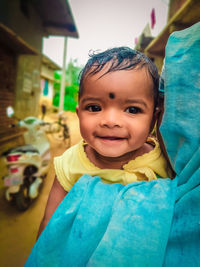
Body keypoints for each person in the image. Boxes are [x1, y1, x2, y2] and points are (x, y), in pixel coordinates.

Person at [37, 47, 173, 238]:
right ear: (79, 114)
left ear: (153, 119)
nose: (110, 121)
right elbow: (49, 225)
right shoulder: (69, 165)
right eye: (94, 107)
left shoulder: (164, 161)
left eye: (132, 110)